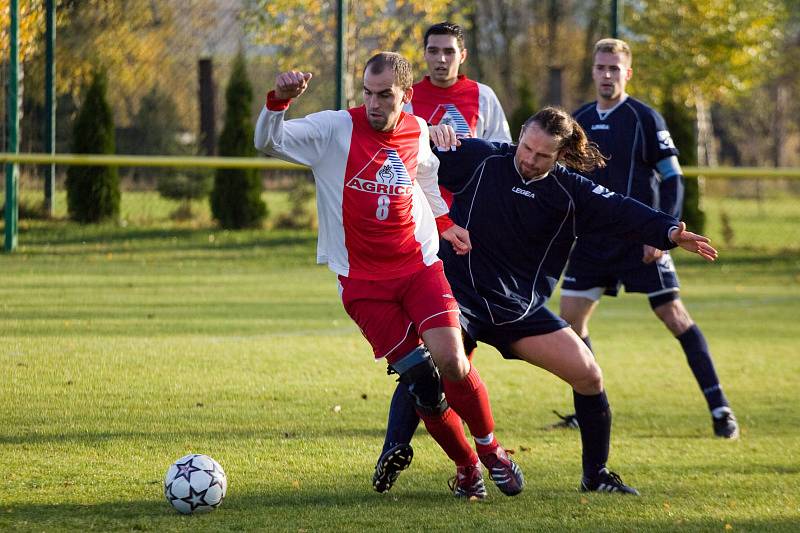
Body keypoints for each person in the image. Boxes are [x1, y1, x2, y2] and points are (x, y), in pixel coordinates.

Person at [254, 52, 524, 499]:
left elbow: (426, 178)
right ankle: (467, 469)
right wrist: (278, 102)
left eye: (385, 96)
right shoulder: (334, 129)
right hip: (362, 283)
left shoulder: (417, 130)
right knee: (422, 382)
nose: (375, 104)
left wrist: (445, 223)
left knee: (454, 362)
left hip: (418, 267)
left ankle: (491, 449)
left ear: (407, 96)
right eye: (368, 93)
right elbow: (269, 141)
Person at [426, 106, 718, 494]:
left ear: (561, 155)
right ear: (521, 136)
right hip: (458, 298)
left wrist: (667, 231)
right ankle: (420, 457)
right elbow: (403, 152)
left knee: (588, 374)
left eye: (542, 155)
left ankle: (595, 475)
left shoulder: (572, 191)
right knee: (429, 375)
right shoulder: (482, 157)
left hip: (517, 310)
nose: (530, 159)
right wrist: (425, 129)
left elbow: (621, 210)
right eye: (526, 148)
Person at [554, 38, 738, 439]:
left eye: (614, 69)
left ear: (628, 73)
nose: (606, 75)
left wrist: (664, 231)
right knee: (570, 322)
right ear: (593, 71)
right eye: (601, 68)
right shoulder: (579, 119)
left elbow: (673, 177)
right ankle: (590, 404)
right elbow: (563, 180)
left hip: (641, 240)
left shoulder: (645, 118)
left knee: (674, 316)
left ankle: (721, 410)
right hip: (592, 242)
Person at [373, 21, 513, 495]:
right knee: (424, 352)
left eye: (448, 51)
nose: (439, 58)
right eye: (432, 51)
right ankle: (404, 445)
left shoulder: (483, 98)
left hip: (467, 239)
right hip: (420, 238)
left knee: (446, 353)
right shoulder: (404, 102)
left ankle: (466, 459)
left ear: (463, 54)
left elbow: (504, 156)